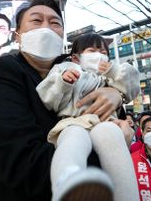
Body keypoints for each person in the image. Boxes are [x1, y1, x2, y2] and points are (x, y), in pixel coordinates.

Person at [0, 0, 132, 201]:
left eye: (55, 22)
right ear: (18, 36)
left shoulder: (82, 72)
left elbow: (112, 121)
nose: (46, 28)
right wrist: (113, 156)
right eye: (36, 21)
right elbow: (21, 162)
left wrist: (116, 94)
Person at [36, 33, 140, 200]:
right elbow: (48, 99)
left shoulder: (110, 76)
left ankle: (127, 195)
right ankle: (66, 184)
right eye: (92, 50)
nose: (99, 54)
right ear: (76, 58)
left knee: (112, 138)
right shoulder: (65, 69)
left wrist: (113, 71)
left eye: (103, 51)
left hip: (105, 121)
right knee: (72, 140)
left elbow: (132, 86)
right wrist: (63, 81)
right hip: (73, 121)